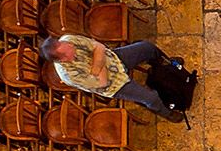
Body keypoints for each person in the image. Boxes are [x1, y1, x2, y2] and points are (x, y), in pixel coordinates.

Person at [39, 35, 190, 122]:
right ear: (62, 60)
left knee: (147, 47)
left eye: (67, 45)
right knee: (151, 98)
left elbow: (99, 46)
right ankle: (165, 112)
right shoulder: (69, 75)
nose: (71, 46)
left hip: (114, 58)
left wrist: (97, 66)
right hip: (114, 85)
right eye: (68, 50)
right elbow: (103, 82)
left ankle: (164, 65)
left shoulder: (68, 39)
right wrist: (99, 58)